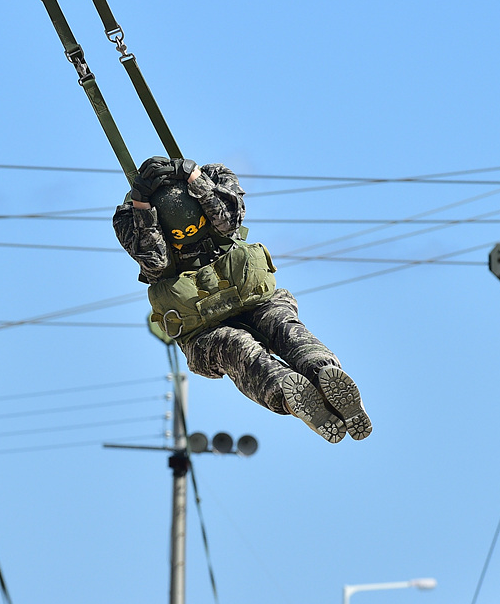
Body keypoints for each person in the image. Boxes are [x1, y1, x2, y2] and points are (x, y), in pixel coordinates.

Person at [113, 156, 372, 443]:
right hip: (203, 331)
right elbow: (156, 262)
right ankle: (292, 395)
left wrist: (195, 180)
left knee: (284, 328)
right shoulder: (129, 217)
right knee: (237, 347)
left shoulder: (214, 176)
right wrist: (143, 207)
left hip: (254, 300)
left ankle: (327, 375)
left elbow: (229, 221)